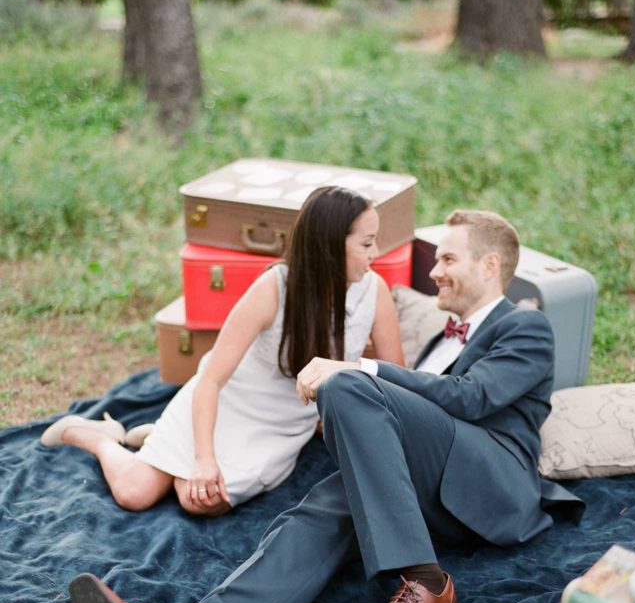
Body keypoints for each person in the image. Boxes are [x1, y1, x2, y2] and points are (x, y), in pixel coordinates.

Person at [69, 208, 584, 603]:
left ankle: (426, 581)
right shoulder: (437, 344)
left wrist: (360, 370)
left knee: (348, 385)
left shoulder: (525, 326)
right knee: (320, 512)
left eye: (448, 259)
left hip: (495, 488)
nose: (434, 271)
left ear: (490, 265)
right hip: (431, 498)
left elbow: (472, 398)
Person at [41, 186, 404, 515]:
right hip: (229, 401)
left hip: (278, 426)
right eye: (366, 242)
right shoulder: (274, 287)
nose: (375, 252)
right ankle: (97, 437)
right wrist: (203, 458)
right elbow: (212, 378)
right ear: (329, 244)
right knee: (135, 494)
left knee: (199, 501)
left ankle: (156, 439)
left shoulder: (375, 293)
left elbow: (391, 379)